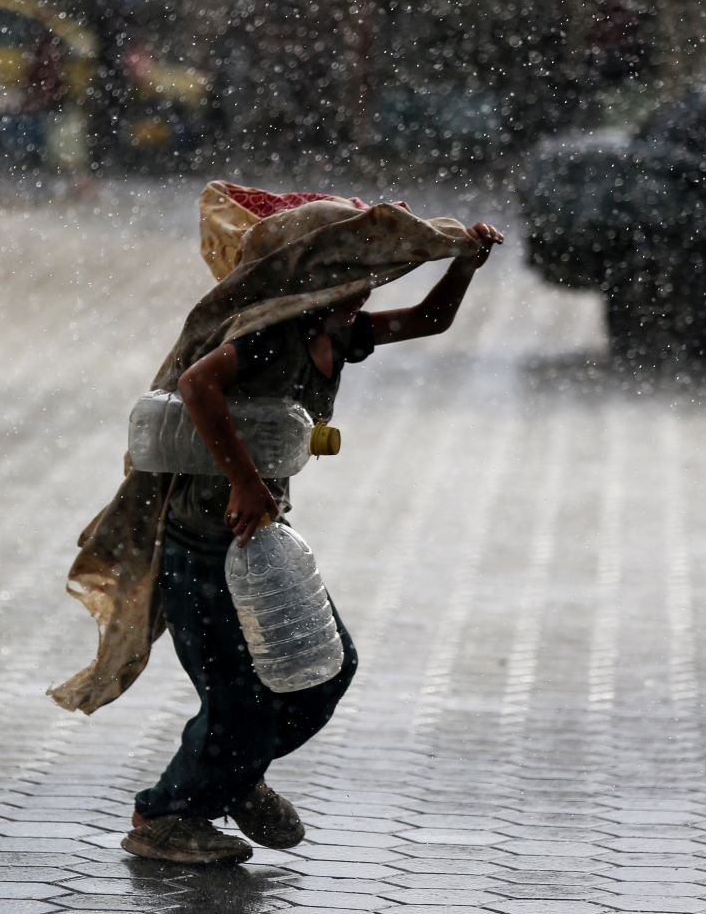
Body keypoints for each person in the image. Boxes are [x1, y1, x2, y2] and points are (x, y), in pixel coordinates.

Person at [119, 200, 504, 865]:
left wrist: (465, 265)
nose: (361, 293)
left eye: (366, 280)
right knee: (236, 698)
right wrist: (243, 479)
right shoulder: (275, 334)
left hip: (260, 539)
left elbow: (428, 319)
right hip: (204, 544)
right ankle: (165, 815)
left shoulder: (340, 332)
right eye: (350, 278)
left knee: (323, 671)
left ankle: (232, 778)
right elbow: (197, 384)